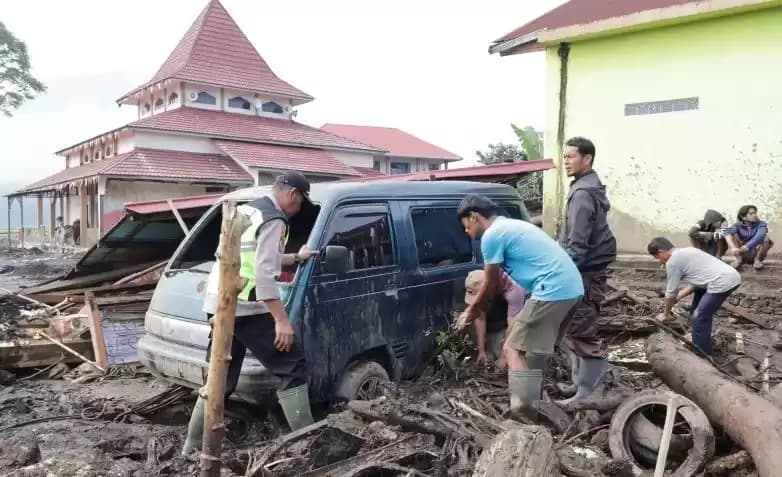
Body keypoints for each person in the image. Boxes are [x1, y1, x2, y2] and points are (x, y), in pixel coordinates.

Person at [182, 171, 316, 455]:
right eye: (302, 201)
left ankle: (193, 447)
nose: (300, 207)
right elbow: (264, 275)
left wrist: (294, 257)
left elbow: (253, 255)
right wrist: (281, 321)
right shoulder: (274, 220)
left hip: (220, 303)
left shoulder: (248, 210)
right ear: (293, 194)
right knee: (292, 365)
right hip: (246, 308)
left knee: (220, 378)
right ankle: (307, 441)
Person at [457, 194, 583, 421]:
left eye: (465, 225)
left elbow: (490, 281)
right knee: (532, 354)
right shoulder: (513, 226)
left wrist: (471, 310)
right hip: (572, 288)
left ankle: (523, 420)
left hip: (551, 289)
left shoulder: (492, 236)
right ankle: (540, 406)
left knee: (512, 349)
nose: (466, 231)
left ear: (474, 217)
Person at [557, 137, 615, 405]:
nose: (565, 161)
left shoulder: (582, 193)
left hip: (584, 272)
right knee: (573, 327)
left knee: (581, 329)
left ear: (587, 159)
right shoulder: (586, 186)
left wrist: (561, 273)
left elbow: (577, 243)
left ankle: (588, 393)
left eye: (570, 156)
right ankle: (580, 384)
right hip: (586, 270)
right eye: (565, 157)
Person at [647, 237, 742, 355]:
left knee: (700, 317)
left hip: (721, 282)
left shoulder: (673, 261)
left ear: (661, 251)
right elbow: (696, 283)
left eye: (657, 257)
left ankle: (703, 355)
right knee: (698, 307)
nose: (658, 260)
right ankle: (697, 337)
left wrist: (665, 314)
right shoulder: (689, 250)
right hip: (731, 276)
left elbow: (671, 292)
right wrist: (678, 297)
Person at [463, 269, 526, 368]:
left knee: (508, 356)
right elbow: (480, 318)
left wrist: (503, 357)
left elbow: (513, 326)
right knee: (485, 354)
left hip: (525, 310)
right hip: (496, 313)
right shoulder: (480, 279)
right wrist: (481, 351)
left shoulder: (514, 291)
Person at [724, 205, 773, 270]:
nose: (754, 215)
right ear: (743, 217)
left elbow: (760, 235)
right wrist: (733, 247)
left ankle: (757, 260)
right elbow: (727, 233)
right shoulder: (737, 225)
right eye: (751, 214)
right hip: (742, 252)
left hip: (757, 253)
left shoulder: (761, 224)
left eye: (755, 213)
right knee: (731, 234)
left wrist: (747, 246)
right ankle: (738, 260)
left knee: (766, 238)